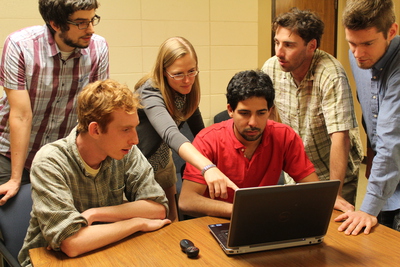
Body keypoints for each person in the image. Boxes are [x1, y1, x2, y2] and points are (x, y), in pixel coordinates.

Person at [18, 79, 170, 267]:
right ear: (95, 129)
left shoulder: (125, 151)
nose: (135, 139)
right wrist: (137, 223)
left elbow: (158, 209)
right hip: (52, 261)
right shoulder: (50, 161)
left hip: (105, 251)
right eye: (125, 129)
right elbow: (72, 244)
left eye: (135, 127)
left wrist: (95, 214)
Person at [179, 70, 352, 218]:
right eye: (245, 113)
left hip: (264, 220)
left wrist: (331, 198)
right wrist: (241, 212)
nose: (253, 122)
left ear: (270, 111)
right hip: (219, 221)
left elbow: (314, 189)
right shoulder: (208, 139)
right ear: (230, 110)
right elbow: (187, 201)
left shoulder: (284, 136)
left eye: (261, 113)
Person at [0, 0, 109, 206]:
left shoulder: (99, 48)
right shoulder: (19, 45)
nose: (91, 29)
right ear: (55, 24)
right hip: (9, 154)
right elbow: (21, 115)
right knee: (13, 222)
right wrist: (15, 179)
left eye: (92, 20)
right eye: (81, 23)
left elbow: (94, 111)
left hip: (57, 157)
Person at [261, 8, 363, 208]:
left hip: (333, 173)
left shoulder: (330, 74)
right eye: (277, 42)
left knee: (332, 230)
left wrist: (334, 193)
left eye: (289, 45)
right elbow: (270, 122)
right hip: (296, 172)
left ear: (311, 46)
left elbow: (339, 137)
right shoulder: (271, 68)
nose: (279, 52)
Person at [134, 36, 237, 221]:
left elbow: (202, 134)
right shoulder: (150, 91)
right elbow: (170, 133)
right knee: (152, 219)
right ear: (164, 71)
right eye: (178, 74)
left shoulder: (187, 90)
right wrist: (207, 167)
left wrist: (219, 159)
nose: (187, 79)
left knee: (173, 219)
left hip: (163, 160)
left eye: (191, 71)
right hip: (139, 163)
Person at [335, 0, 400, 235]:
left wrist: (368, 207)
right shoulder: (359, 57)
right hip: (387, 179)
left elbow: (391, 138)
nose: (358, 53)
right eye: (351, 43)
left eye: (367, 43)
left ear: (391, 32)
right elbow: (371, 113)